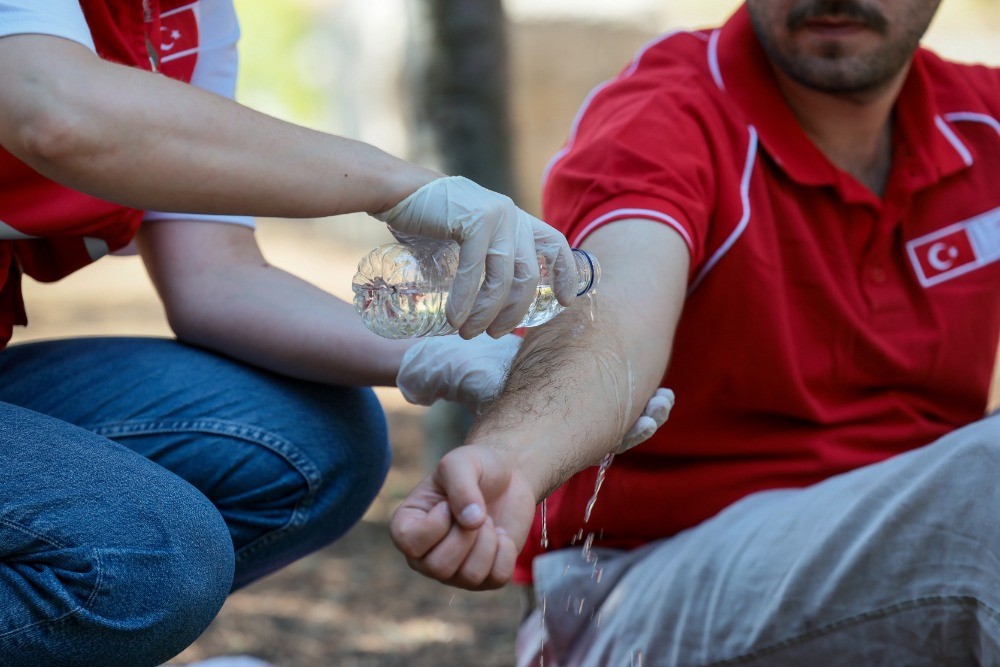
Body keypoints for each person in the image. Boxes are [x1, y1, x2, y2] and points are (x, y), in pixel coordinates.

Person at [390, 0, 1000, 664]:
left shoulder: (982, 119)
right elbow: (611, 316)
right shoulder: (667, 112)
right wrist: (514, 457)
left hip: (921, 567)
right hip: (643, 590)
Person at [0, 1, 597, 665]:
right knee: (150, 549)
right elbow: (50, 108)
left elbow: (217, 280)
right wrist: (395, 182)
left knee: (318, 441)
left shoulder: (188, 19)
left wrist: (455, 351)